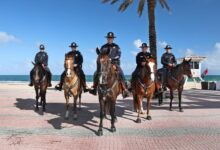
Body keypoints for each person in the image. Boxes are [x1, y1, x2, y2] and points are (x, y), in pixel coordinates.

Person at [89, 32, 129, 98]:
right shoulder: (103, 47)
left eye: (111, 38)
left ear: (113, 39)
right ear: (107, 39)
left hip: (114, 63)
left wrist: (111, 59)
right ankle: (94, 88)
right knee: (96, 73)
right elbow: (100, 55)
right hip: (104, 64)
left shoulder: (116, 46)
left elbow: (119, 55)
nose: (109, 39)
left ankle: (124, 89)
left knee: (121, 73)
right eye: (108, 38)